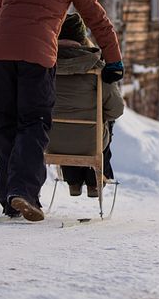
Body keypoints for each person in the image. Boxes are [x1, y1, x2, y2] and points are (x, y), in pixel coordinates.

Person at [0, 0, 124, 222]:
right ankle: (23, 191)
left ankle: (10, 199)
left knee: (3, 122)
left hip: (2, 52)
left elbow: (1, 12)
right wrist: (113, 60)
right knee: (33, 123)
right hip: (38, 57)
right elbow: (98, 21)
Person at [47, 13, 124, 198]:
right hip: (91, 142)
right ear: (82, 38)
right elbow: (116, 109)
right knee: (103, 124)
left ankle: (73, 181)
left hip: (50, 140)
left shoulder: (46, 67)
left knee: (64, 124)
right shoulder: (97, 68)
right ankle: (95, 181)